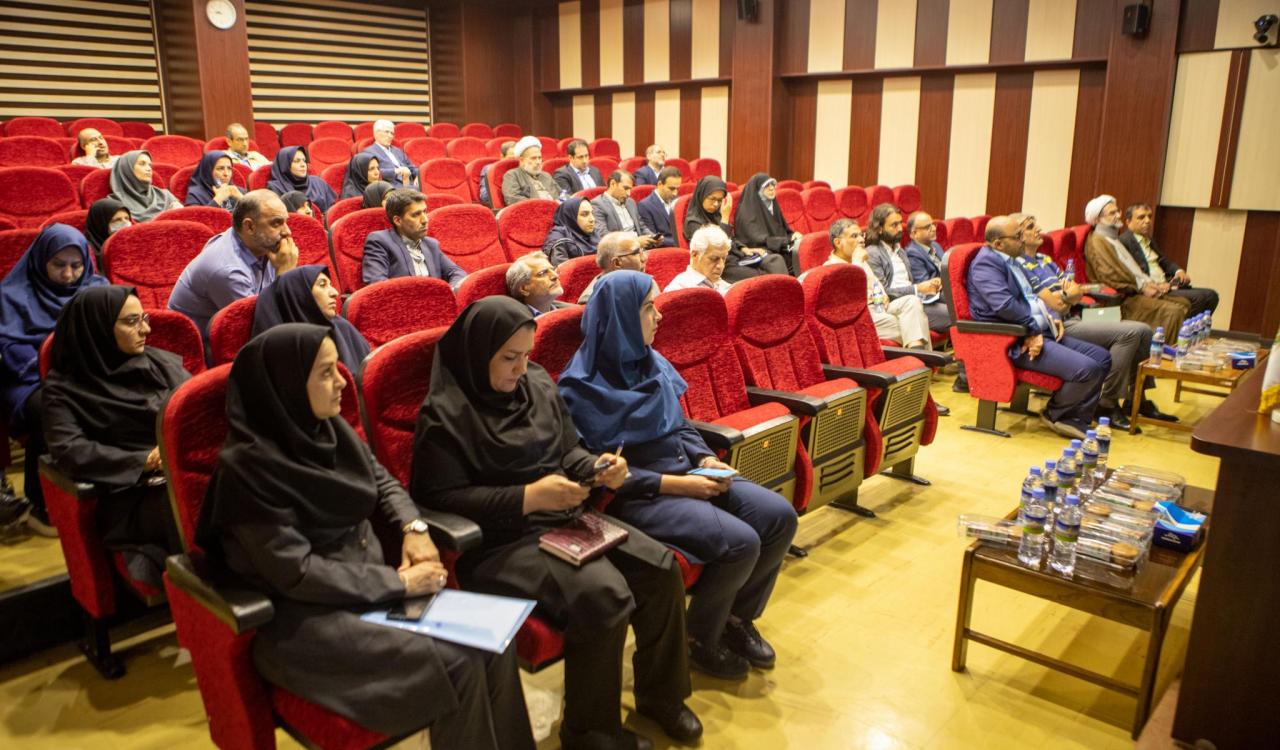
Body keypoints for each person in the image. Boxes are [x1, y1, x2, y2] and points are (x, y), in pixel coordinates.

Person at [197, 324, 535, 750]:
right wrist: (399, 583)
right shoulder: (246, 471)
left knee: (495, 640)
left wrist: (413, 527)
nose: (342, 381)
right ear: (286, 387)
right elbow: (296, 573)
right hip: (305, 621)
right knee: (459, 665)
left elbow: (383, 482)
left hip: (369, 587)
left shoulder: (326, 429)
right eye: (325, 373)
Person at [410, 298, 700, 749]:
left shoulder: (537, 382)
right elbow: (439, 499)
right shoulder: (446, 411)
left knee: (661, 568)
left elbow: (568, 451)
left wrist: (598, 468)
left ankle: (660, 696)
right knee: (605, 596)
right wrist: (526, 498)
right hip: (501, 543)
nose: (521, 368)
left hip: (564, 516)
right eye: (509, 357)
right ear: (478, 354)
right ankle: (590, 734)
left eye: (527, 354)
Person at [560, 271, 798, 681]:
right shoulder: (579, 388)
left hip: (687, 469)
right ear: (621, 317)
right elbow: (599, 473)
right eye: (648, 307)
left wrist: (705, 458)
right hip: (640, 494)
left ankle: (735, 619)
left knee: (779, 517)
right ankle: (698, 639)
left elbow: (680, 425)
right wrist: (677, 484)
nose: (660, 316)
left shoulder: (650, 361)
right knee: (741, 542)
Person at [43, 286, 188, 585]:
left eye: (144, 318)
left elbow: (195, 413)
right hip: (131, 495)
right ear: (98, 328)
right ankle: (210, 593)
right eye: (131, 322)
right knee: (191, 504)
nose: (146, 329)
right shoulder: (64, 389)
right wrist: (145, 460)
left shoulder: (159, 364)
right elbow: (70, 450)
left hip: (181, 473)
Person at [1012, 213, 1172, 429]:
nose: (1039, 229)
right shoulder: (1018, 265)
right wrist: (1066, 296)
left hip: (1072, 315)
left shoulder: (1044, 260)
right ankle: (1107, 402)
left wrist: (1066, 297)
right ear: (1019, 236)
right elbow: (1049, 301)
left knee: (1144, 331)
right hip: (1058, 324)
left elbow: (1075, 290)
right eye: (1031, 227)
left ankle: (1137, 400)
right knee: (1131, 333)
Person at [0, 224, 107, 535]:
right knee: (53, 408)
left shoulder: (96, 288)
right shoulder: (11, 296)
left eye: (76, 265)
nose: (69, 274)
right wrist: (57, 373)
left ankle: (105, 491)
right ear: (41, 260)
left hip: (87, 373)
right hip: (30, 378)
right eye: (58, 265)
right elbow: (10, 349)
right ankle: (43, 502)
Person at [966, 216, 1109, 438]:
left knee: (1102, 358)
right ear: (998, 244)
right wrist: (1032, 330)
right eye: (1017, 237)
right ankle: (1057, 414)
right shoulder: (986, 263)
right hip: (1013, 339)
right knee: (1087, 369)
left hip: (1041, 329)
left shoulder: (1013, 260)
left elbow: (1035, 296)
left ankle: (1075, 416)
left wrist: (1051, 316)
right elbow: (1004, 306)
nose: (1022, 240)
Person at [168, 190, 298, 340]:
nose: (287, 231)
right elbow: (262, 327)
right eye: (276, 223)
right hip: (197, 346)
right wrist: (285, 273)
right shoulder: (227, 270)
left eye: (286, 222)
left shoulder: (262, 244)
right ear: (249, 227)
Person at [1082, 195, 1189, 336]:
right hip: (1123, 299)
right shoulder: (1097, 242)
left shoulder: (1112, 238)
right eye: (1112, 213)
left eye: (1118, 211)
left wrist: (1150, 283)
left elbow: (1133, 270)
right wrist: (1142, 288)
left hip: (1136, 290)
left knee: (1184, 303)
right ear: (1097, 220)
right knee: (1174, 312)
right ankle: (1158, 349)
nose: (1118, 215)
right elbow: (1109, 277)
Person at [817, 218, 931, 350]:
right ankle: (923, 359)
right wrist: (857, 261)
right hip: (861, 317)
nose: (861, 240)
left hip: (879, 308)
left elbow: (876, 285)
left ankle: (920, 357)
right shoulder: (830, 269)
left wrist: (883, 295)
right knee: (915, 323)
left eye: (861, 235)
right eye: (854, 236)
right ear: (838, 242)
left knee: (912, 301)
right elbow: (852, 304)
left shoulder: (861, 260)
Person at [253, 265, 370, 373]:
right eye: (322, 285)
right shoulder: (281, 352)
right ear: (301, 295)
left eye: (330, 285)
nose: (335, 292)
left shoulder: (343, 328)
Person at [864, 204, 950, 333]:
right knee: (953, 315)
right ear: (880, 228)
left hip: (917, 298)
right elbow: (883, 292)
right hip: (897, 304)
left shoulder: (900, 251)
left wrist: (928, 285)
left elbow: (910, 283)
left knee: (958, 305)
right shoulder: (873, 253)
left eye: (900, 223)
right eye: (894, 225)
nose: (900, 228)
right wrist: (917, 288)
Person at [1120, 203, 1218, 316]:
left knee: (1211, 296)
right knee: (1199, 298)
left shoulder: (1148, 239)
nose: (1147, 221)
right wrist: (1155, 284)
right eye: (1141, 217)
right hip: (1152, 289)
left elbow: (1164, 261)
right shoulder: (1124, 242)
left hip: (1167, 284)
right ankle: (1183, 327)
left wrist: (1178, 271)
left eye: (1149, 216)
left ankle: (1196, 325)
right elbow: (1130, 273)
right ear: (1128, 222)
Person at [683, 177, 788, 282]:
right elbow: (717, 246)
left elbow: (731, 238)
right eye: (712, 199)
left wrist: (743, 248)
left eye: (719, 200)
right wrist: (725, 219)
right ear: (701, 196)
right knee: (764, 277)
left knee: (775, 260)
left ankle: (787, 288)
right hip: (720, 265)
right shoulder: (693, 222)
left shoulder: (716, 215)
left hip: (735, 257)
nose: (716, 204)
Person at [361, 189, 466, 289]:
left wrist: (450, 291)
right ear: (397, 220)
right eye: (416, 215)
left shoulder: (431, 244)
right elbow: (377, 284)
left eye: (425, 212)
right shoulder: (380, 241)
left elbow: (457, 273)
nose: (425, 220)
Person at [734, 174, 803, 275]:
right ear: (757, 190)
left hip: (775, 245)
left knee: (802, 248)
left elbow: (782, 229)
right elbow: (756, 239)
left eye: (773, 184)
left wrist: (792, 235)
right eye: (767, 185)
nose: (772, 188)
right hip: (757, 249)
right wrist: (785, 241)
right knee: (777, 260)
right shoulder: (746, 210)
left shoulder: (772, 204)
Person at [590, 171, 659, 248]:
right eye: (625, 188)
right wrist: (635, 241)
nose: (629, 194)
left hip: (640, 247)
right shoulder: (597, 204)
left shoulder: (630, 202)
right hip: (621, 250)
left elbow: (641, 227)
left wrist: (652, 237)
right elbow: (603, 236)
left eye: (630, 189)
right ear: (613, 184)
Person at [109, 150, 181, 223]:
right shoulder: (113, 204)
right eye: (142, 164)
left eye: (150, 165)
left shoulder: (165, 196)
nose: (149, 169)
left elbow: (182, 219)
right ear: (127, 170)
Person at [576, 231, 647, 304]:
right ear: (617, 263)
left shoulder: (641, 282)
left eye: (643, 251)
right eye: (636, 253)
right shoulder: (594, 301)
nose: (644, 258)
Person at [266, 146, 337, 215]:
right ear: (285, 165)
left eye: (304, 161)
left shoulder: (318, 182)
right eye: (297, 161)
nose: (303, 165)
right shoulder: (275, 187)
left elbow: (333, 210)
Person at [665, 225, 733, 295]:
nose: (721, 266)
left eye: (724, 259)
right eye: (714, 259)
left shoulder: (726, 287)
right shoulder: (678, 289)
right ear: (695, 255)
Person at [506, 251, 569, 316]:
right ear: (524, 289)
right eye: (543, 273)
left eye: (553, 270)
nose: (555, 276)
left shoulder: (571, 311)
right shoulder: (518, 320)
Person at [501, 136, 558, 206]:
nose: (538, 162)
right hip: (533, 210)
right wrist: (541, 204)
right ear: (522, 160)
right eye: (533, 158)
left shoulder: (546, 175)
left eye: (539, 158)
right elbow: (512, 199)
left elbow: (561, 194)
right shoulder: (512, 175)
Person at [361, 120, 418, 189]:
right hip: (390, 187)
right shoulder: (368, 152)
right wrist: (396, 171)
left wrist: (417, 175)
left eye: (392, 133)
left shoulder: (397, 150)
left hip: (410, 184)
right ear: (376, 133)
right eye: (387, 132)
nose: (390, 136)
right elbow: (371, 173)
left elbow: (412, 167)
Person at [543, 197, 599, 267]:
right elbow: (563, 270)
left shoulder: (592, 233)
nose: (592, 219)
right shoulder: (557, 238)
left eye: (592, 213)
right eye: (584, 214)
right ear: (570, 216)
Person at [636, 167, 681, 247]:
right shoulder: (645, 206)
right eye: (672, 189)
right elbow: (653, 238)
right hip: (665, 249)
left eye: (678, 189)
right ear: (660, 184)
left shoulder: (678, 201)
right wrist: (680, 242)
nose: (675, 193)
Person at [83, 197, 131, 266]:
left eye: (127, 218)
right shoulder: (88, 253)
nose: (125, 223)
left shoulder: (132, 243)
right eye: (117, 220)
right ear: (100, 223)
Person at [478, 141, 514, 208]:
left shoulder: (522, 170)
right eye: (512, 159)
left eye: (517, 159)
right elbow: (484, 196)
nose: (514, 162)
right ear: (502, 157)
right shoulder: (490, 169)